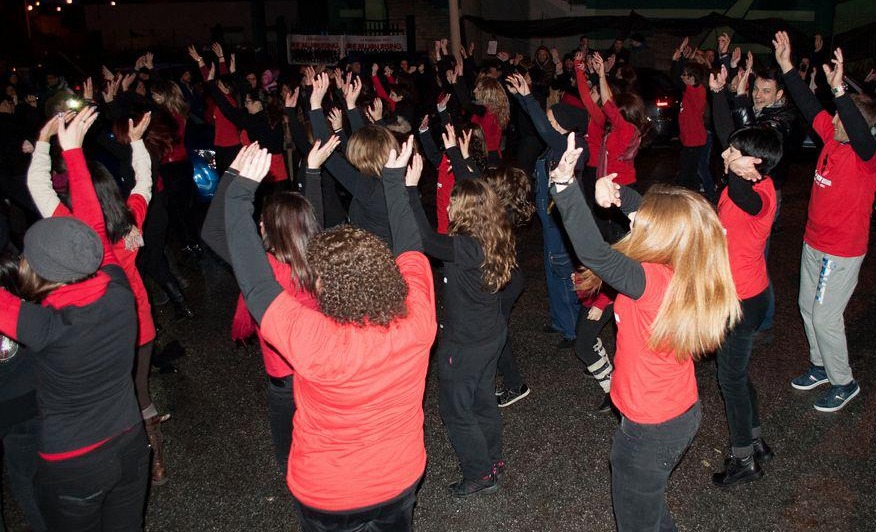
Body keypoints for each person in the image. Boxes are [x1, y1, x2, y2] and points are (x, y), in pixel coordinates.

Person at [223, 143, 437, 530]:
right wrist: (396, 182)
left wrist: (239, 193)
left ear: (328, 288)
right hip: (400, 478)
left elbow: (256, 283)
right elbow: (410, 245)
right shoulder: (418, 319)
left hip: (329, 494)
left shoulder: (312, 340)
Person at [549, 134, 740, 530]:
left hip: (650, 427)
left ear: (663, 237)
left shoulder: (651, 280)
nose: (632, 219)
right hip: (677, 412)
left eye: (641, 222)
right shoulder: (689, 267)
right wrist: (616, 193)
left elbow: (595, 254)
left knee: (637, 519)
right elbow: (659, 215)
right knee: (650, 511)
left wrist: (566, 187)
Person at [0, 108, 149, 530]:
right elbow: (94, 230)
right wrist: (72, 152)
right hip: (129, 441)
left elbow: (92, 230)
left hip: (73, 463)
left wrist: (59, 149)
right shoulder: (118, 289)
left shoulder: (43, 326)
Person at [26, 110, 170, 485]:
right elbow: (144, 182)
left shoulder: (75, 231)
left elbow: (39, 188)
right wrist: (137, 141)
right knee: (139, 390)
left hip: (96, 330)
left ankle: (123, 458)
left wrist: (43, 143)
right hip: (139, 323)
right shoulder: (131, 218)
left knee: (112, 394)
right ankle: (153, 461)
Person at [384, 137, 515, 496]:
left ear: (466, 212)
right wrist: (458, 156)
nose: (450, 207)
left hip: (468, 342)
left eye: (455, 204)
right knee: (483, 399)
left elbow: (423, 239)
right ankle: (493, 459)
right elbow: (481, 192)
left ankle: (480, 474)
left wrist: (406, 187)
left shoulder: (464, 247)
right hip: (492, 334)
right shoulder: (497, 233)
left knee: (457, 410)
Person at [774, 32, 876, 411]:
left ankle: (844, 381)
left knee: (825, 316)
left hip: (842, 250)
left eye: (840, 117)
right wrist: (786, 65)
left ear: (855, 125)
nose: (832, 120)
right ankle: (820, 365)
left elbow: (859, 130)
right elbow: (804, 102)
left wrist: (839, 93)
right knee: (806, 306)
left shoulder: (866, 158)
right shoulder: (832, 139)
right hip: (814, 242)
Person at [506, 72, 589, 349]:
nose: (547, 124)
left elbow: (541, 128)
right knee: (552, 271)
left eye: (553, 121)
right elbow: (539, 125)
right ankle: (559, 319)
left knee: (564, 274)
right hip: (549, 221)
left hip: (562, 224)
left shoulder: (572, 146)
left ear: (565, 127)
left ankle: (573, 330)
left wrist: (528, 97)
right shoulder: (555, 145)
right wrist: (520, 97)